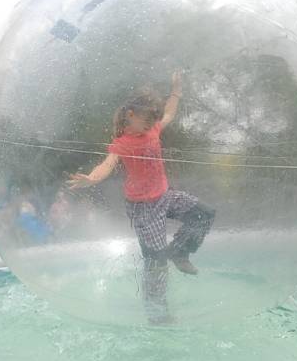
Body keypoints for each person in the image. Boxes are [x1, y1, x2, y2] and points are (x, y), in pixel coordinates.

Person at [67, 72, 215, 324]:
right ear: (131, 115)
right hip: (143, 208)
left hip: (164, 196)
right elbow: (108, 163)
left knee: (203, 213)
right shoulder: (122, 143)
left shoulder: (153, 128)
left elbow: (169, 113)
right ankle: (157, 314)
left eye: (153, 120)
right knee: (155, 261)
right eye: (147, 119)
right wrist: (92, 179)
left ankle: (179, 252)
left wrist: (176, 90)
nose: (151, 124)